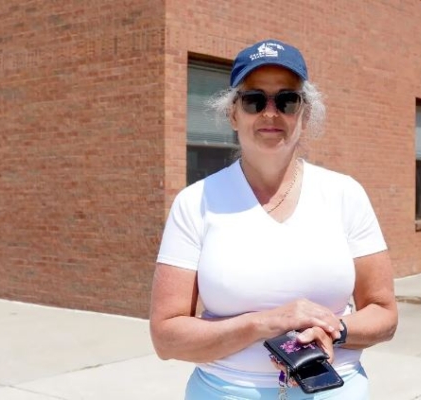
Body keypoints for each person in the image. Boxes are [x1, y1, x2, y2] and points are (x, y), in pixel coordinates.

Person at [150, 38, 398, 399]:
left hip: (332, 389)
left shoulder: (345, 194)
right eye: (254, 100)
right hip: (224, 391)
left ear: (304, 114)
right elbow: (166, 337)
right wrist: (264, 323)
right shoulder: (195, 202)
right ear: (233, 114)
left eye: (287, 100)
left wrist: (334, 329)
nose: (270, 113)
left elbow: (384, 313)